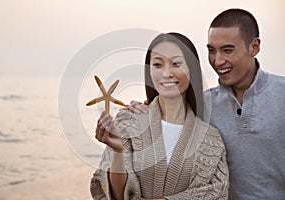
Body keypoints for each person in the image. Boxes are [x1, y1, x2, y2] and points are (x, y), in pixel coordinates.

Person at [127, 8, 285, 200]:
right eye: (212, 51)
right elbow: (166, 120)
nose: (218, 61)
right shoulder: (202, 104)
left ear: (254, 47)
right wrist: (142, 110)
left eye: (227, 50)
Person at [90, 33, 229, 200]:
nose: (166, 73)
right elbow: (115, 196)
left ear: (192, 68)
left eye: (176, 64)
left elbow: (217, 193)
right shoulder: (128, 121)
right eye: (157, 64)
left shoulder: (211, 139)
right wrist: (118, 151)